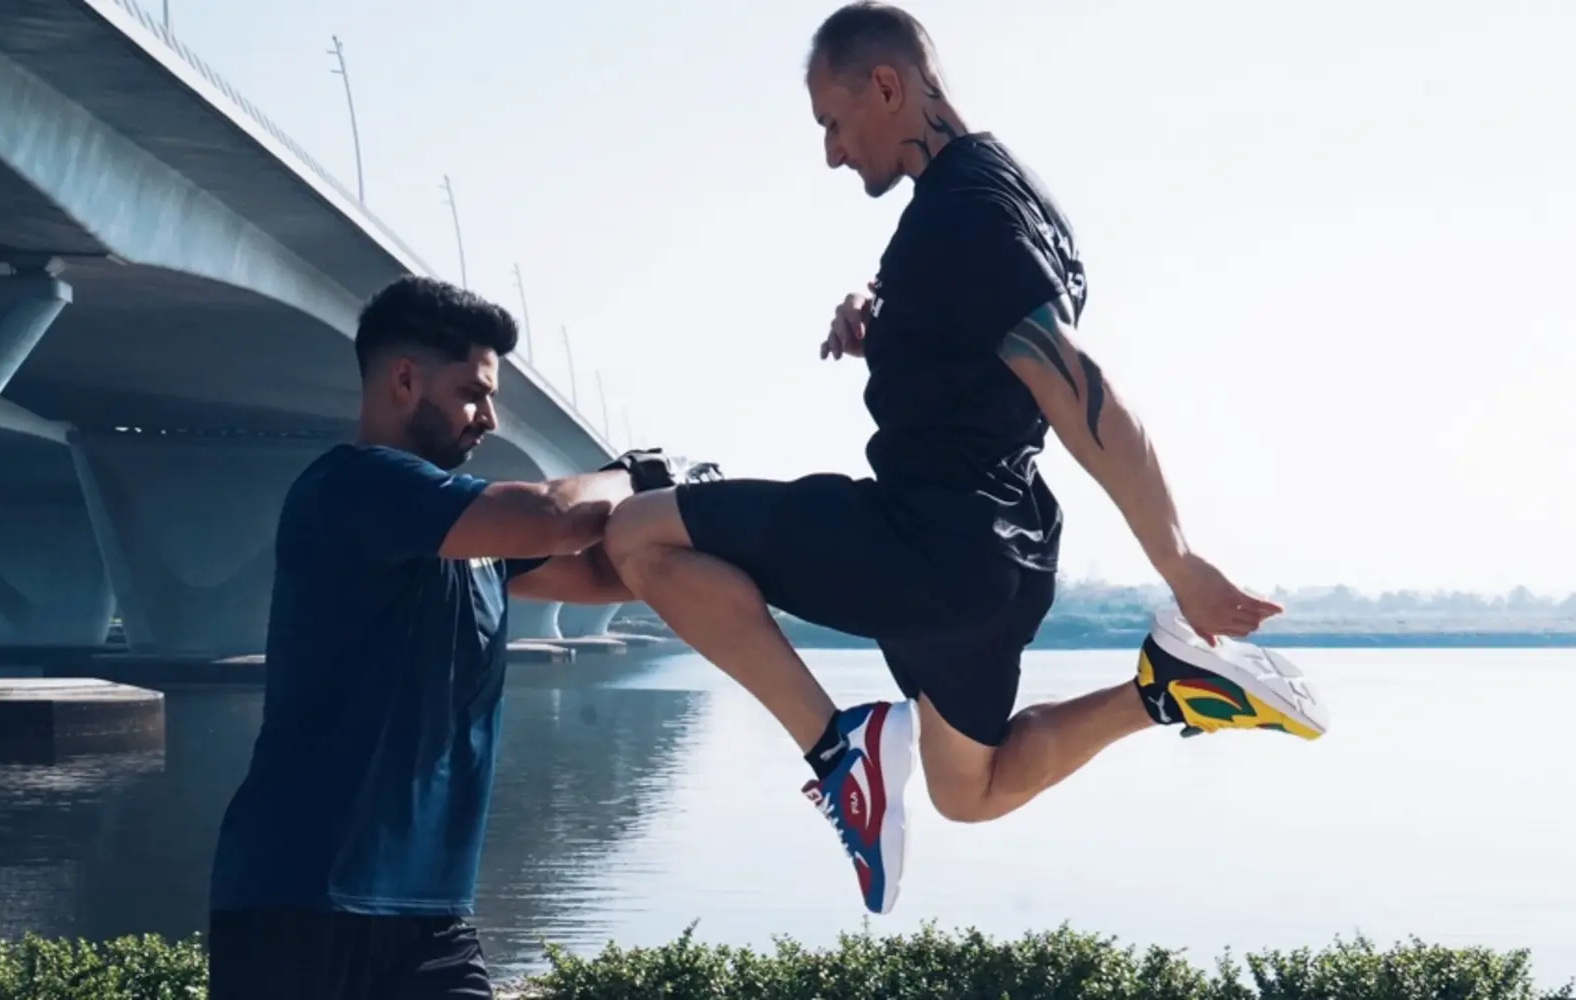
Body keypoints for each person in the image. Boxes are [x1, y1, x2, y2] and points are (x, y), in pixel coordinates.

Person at [601, 1, 1330, 916]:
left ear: (886, 85)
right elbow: (980, 341)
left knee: (638, 534)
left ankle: (838, 752)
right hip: (1004, 549)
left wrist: (1178, 560)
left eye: (832, 122)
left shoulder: (964, 217)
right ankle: (1166, 692)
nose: (830, 152)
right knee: (969, 791)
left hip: (925, 535)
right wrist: (887, 316)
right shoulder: (1009, 197)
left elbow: (1078, 388)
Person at [204, 275, 717, 998]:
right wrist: (634, 475)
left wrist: (701, 519)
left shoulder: (469, 544)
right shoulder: (352, 488)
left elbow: (608, 577)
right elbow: (552, 516)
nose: (489, 420)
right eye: (474, 394)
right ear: (405, 379)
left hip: (434, 916)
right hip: (301, 897)